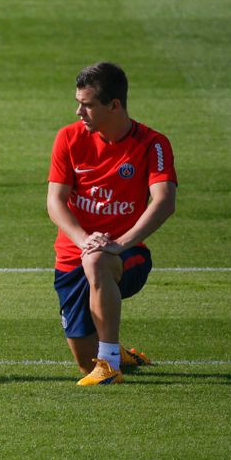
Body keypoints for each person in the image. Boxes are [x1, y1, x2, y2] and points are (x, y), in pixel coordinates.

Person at [46, 62, 177, 386]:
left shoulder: (153, 143)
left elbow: (163, 201)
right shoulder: (68, 138)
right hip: (71, 256)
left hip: (126, 257)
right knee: (81, 360)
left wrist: (121, 243)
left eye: (87, 105)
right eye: (78, 103)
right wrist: (83, 240)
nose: (79, 111)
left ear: (114, 105)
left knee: (98, 260)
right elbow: (55, 202)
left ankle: (109, 364)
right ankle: (118, 352)